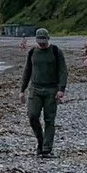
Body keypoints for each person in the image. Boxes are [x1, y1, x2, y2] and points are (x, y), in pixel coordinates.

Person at [21, 28, 68, 157]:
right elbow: (27, 71)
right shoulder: (32, 52)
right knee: (32, 116)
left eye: (44, 40)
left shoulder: (55, 51)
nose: (41, 43)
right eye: (39, 40)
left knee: (49, 119)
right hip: (35, 89)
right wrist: (22, 90)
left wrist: (61, 89)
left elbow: (63, 71)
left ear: (48, 38)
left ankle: (47, 149)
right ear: (36, 39)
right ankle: (40, 141)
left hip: (51, 90)